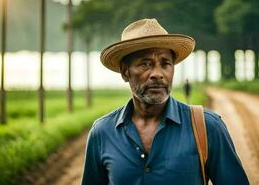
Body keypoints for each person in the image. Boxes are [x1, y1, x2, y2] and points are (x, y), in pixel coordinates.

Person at [81, 18, 249, 185]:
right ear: (125, 72)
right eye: (145, 64)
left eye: (165, 63)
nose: (157, 74)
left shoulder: (208, 127)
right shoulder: (102, 132)